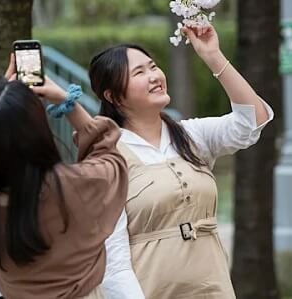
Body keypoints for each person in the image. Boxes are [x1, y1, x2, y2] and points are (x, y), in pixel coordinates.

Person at [90, 24, 274, 299]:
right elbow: (113, 258)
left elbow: (251, 123)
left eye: (153, 67)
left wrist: (213, 56)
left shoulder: (191, 136)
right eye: (140, 72)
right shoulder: (108, 156)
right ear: (113, 95)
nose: (154, 76)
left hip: (212, 287)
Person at [0, 59, 128, 299]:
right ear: (38, 131)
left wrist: (2, 105)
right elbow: (110, 155)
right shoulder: (74, 186)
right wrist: (64, 101)